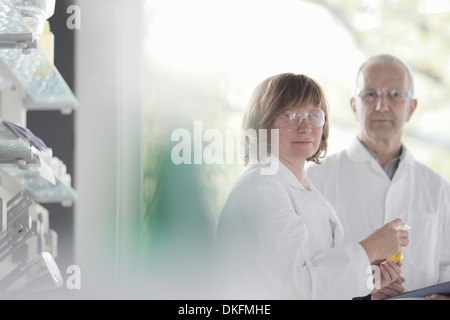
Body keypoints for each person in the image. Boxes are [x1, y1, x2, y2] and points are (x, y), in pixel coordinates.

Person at [215, 73, 409, 299]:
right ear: (262, 126)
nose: (305, 126)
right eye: (289, 115)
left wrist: (366, 281)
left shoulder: (302, 188)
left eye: (314, 115)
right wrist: (369, 249)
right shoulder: (261, 189)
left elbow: (314, 275)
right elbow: (294, 290)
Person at [305, 54, 450, 300]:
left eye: (394, 94)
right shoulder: (316, 181)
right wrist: (361, 288)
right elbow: (306, 273)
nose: (382, 105)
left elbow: (446, 267)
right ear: (354, 105)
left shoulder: (438, 188)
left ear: (410, 107)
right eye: (370, 94)